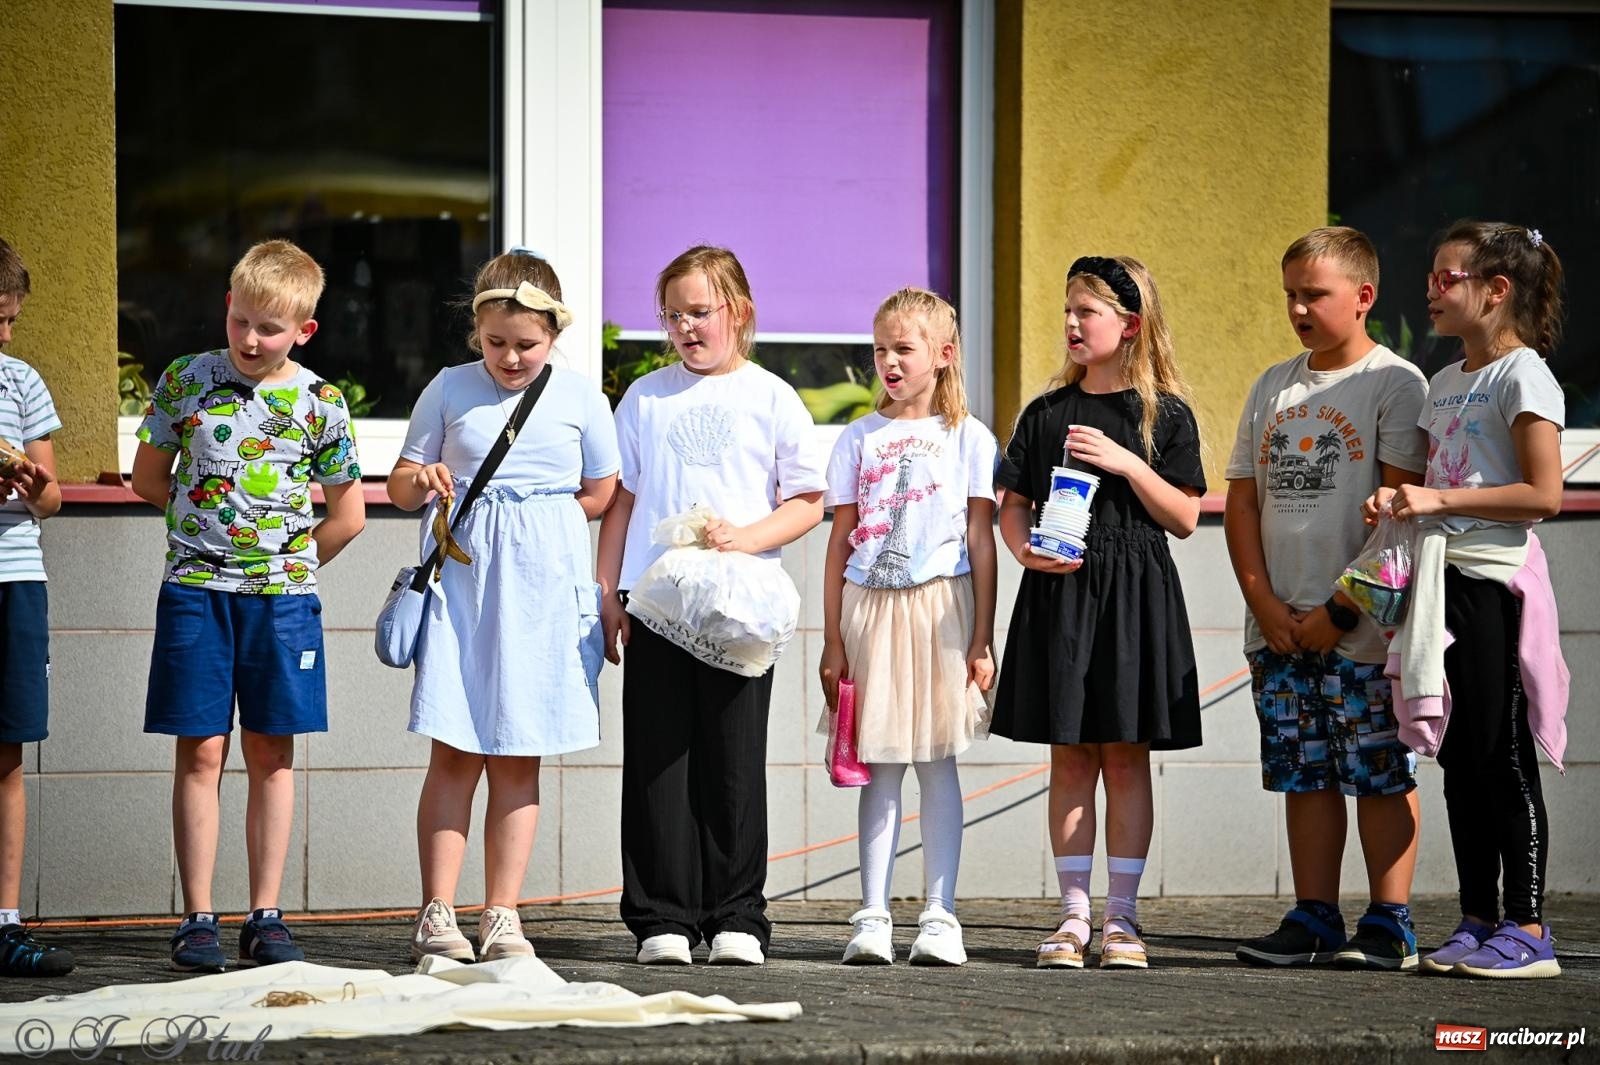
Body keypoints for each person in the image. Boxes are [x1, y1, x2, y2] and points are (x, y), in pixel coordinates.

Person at [131, 239, 366, 971]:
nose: (252, 339)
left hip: (283, 601)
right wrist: (207, 540)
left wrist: (288, 563)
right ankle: (197, 914)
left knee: (272, 750)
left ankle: (265, 913)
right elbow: (147, 477)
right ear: (227, 306)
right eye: (243, 322)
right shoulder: (185, 380)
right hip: (197, 593)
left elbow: (348, 513)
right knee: (201, 748)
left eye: (271, 328)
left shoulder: (322, 402)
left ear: (304, 330)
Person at [598, 245, 825, 966]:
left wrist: (746, 537)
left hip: (737, 610)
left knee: (732, 759)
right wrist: (607, 592)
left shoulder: (771, 396)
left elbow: (808, 501)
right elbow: (623, 500)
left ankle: (737, 915)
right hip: (659, 605)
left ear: (740, 313)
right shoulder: (645, 398)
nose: (686, 327)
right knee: (659, 756)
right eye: (673, 314)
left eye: (701, 311)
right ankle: (662, 915)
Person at [390, 250, 618, 963]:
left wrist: (540, 524)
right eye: (497, 343)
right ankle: (436, 910)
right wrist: (423, 479)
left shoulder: (582, 396)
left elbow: (603, 490)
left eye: (527, 344)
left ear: (553, 334)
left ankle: (502, 912)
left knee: (520, 755)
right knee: (456, 747)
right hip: (465, 584)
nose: (511, 357)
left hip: (543, 588)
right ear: (476, 334)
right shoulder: (450, 388)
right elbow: (399, 485)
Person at [990, 255, 1205, 970]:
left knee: (1127, 751)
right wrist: (1025, 551)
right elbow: (1011, 505)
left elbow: (1184, 515)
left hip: (1136, 595)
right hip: (1065, 596)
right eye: (1068, 310)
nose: (1072, 323)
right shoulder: (1047, 412)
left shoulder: (1164, 415)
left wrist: (1127, 461)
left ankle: (1124, 917)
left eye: (1088, 312)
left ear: (1131, 325)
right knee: (1072, 754)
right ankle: (1074, 914)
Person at [1224, 227, 1429, 971]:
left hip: (1360, 625)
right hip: (1280, 623)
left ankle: (1390, 920)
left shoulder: (1395, 382)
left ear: (1363, 296)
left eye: (1315, 294)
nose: (1299, 309)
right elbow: (1242, 503)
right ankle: (1314, 914)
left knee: (1377, 768)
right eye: (1291, 295)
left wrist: (1342, 609)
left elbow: (1403, 506)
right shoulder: (1274, 383)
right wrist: (1266, 604)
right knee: (1304, 770)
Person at [1368, 221, 1569, 979]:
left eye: (1447, 277)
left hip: (1494, 585)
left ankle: (1529, 925)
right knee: (1457, 756)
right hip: (1439, 583)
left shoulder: (1524, 375)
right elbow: (1435, 482)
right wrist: (1396, 500)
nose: (1431, 288)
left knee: (1502, 754)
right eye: (1432, 274)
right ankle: (1477, 918)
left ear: (1496, 291)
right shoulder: (1447, 379)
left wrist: (1437, 498)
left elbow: (1544, 493)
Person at [817, 288, 998, 967]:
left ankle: (940, 914)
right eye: (879, 350)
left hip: (941, 608)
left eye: (903, 349)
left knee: (936, 760)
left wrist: (982, 634)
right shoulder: (859, 438)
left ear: (944, 355)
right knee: (881, 762)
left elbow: (981, 540)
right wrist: (832, 638)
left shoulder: (971, 438)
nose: (888, 362)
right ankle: (872, 912)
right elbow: (838, 542)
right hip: (871, 607)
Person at [0, 237, 72, 976]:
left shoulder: (21, 382)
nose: (7, 335)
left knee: (9, 749)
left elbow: (51, 494)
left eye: (13, 319)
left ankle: (5, 919)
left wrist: (30, 484)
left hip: (14, 575)